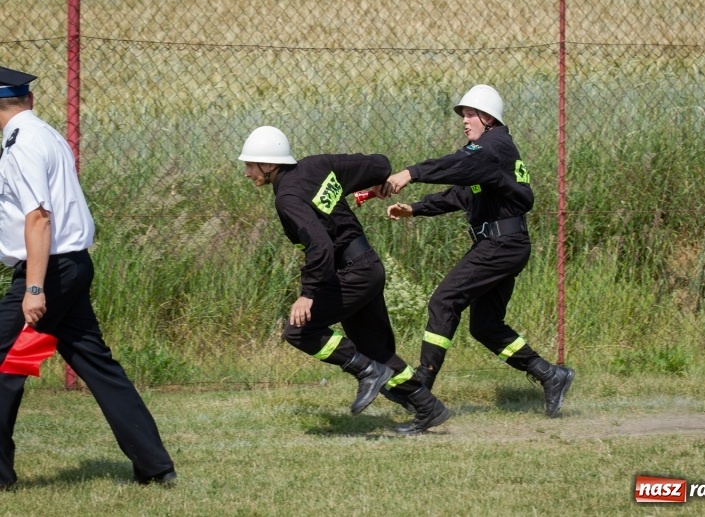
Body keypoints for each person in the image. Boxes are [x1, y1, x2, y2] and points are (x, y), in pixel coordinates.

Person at [0, 66, 176, 489]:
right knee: (95, 364)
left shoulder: (22, 145)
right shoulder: (45, 134)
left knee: (6, 363)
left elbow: (39, 218)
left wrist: (34, 288)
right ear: (29, 99)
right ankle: (155, 465)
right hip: (70, 266)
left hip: (48, 272)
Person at [236, 125, 450, 434]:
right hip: (368, 267)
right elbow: (380, 164)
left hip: (353, 272)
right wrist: (374, 182)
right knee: (375, 349)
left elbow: (320, 246)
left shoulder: (287, 198)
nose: (246, 173)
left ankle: (365, 371)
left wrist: (308, 293)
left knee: (299, 331)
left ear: (269, 164)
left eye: (250, 165)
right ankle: (428, 407)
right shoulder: (317, 165)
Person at [384, 84, 575, 418]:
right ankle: (550, 374)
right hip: (504, 244)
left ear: (488, 118)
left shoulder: (491, 147)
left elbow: (456, 164)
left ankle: (421, 387)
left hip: (501, 244)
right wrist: (414, 209)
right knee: (485, 325)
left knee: (444, 301)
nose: (464, 120)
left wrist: (411, 173)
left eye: (470, 114)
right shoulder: (489, 154)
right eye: (463, 114)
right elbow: (461, 194)